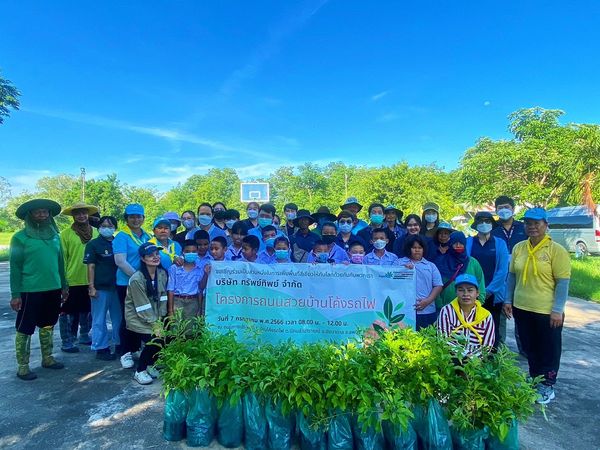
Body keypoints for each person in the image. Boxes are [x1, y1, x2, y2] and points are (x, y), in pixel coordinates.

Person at [502, 207, 571, 405]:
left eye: (536, 223)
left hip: (547, 310)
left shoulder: (556, 251)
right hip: (522, 307)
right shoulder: (519, 248)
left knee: (548, 348)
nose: (531, 227)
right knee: (529, 346)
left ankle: (548, 384)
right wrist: (508, 300)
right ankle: (534, 378)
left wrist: (557, 310)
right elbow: (512, 277)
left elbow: (563, 282)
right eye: (528, 223)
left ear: (545, 225)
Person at [10, 199, 67, 380]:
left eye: (45, 212)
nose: (42, 215)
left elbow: (60, 263)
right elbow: (15, 267)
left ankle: (48, 358)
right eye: (38, 212)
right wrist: (15, 294)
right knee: (25, 327)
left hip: (53, 288)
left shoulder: (55, 236)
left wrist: (64, 285)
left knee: (48, 324)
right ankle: (23, 366)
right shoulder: (20, 237)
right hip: (30, 289)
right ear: (30, 215)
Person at [113, 203, 151, 369]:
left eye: (139, 216)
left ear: (143, 218)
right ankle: (125, 352)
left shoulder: (147, 236)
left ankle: (135, 348)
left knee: (141, 316)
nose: (136, 219)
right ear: (126, 218)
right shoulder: (122, 236)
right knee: (128, 317)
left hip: (143, 283)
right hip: (126, 283)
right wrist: (138, 277)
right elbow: (120, 261)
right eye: (132, 217)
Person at [124, 242, 168, 385]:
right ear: (143, 259)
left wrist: (161, 319)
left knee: (162, 338)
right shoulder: (137, 278)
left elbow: (163, 297)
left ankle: (150, 365)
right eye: (150, 255)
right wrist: (155, 324)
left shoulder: (161, 273)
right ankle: (140, 370)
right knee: (153, 339)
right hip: (138, 317)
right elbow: (142, 305)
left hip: (154, 316)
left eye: (157, 254)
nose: (155, 257)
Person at [59, 202, 99, 353]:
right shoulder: (65, 234)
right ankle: (67, 340)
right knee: (67, 311)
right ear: (73, 216)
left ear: (88, 214)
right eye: (78, 214)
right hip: (72, 278)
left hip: (91, 279)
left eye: (84, 213)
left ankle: (84, 335)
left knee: (86, 310)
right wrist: (63, 281)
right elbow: (62, 258)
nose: (81, 216)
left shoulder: (96, 232)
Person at [466, 212, 509, 348]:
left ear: (492, 224)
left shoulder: (500, 243)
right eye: (481, 221)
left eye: (487, 221)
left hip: (493, 294)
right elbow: (466, 266)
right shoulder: (469, 242)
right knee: (472, 327)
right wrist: (474, 290)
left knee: (493, 328)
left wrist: (488, 290)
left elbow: (503, 270)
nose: (484, 224)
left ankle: (492, 357)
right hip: (472, 293)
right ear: (476, 224)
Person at [491, 195, 528, 351]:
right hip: (500, 275)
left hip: (521, 275)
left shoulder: (523, 228)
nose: (504, 210)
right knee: (500, 311)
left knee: (521, 312)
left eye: (507, 207)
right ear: (496, 210)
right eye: (500, 208)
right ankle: (501, 348)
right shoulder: (493, 229)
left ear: (513, 209)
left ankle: (525, 348)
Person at [83, 215, 121, 360]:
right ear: (98, 228)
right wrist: (91, 287)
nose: (107, 229)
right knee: (99, 319)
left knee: (119, 318)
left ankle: (119, 344)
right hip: (100, 287)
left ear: (115, 228)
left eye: (110, 226)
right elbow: (91, 266)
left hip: (117, 287)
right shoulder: (93, 244)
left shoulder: (118, 242)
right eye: (104, 226)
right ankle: (101, 347)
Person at [437, 274, 496, 357]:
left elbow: (488, 345)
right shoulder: (447, 311)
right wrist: (463, 356)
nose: (465, 294)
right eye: (461, 290)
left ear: (477, 293)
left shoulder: (486, 316)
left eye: (470, 290)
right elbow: (443, 339)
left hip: (476, 362)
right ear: (456, 292)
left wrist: (473, 359)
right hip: (451, 359)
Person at [399, 235, 443, 330]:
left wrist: (427, 301)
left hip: (427, 310)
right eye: (414, 248)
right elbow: (391, 282)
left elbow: (438, 285)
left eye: (420, 247)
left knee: (426, 340)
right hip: (404, 310)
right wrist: (402, 269)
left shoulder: (431, 266)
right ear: (408, 248)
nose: (417, 250)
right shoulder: (399, 263)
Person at [435, 231, 486, 311]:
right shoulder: (441, 262)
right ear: (450, 244)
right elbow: (435, 285)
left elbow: (480, 284)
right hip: (445, 310)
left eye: (461, 243)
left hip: (470, 310)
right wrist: (440, 306)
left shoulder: (473, 263)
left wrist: (478, 304)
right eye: (455, 243)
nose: (458, 246)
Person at [167, 240, 204, 321]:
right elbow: (170, 290)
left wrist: (200, 309)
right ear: (182, 252)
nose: (191, 253)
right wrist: (170, 310)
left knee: (191, 330)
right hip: (177, 301)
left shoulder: (200, 268)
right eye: (187, 251)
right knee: (176, 330)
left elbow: (200, 290)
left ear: (197, 252)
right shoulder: (174, 268)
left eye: (194, 251)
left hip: (193, 302)